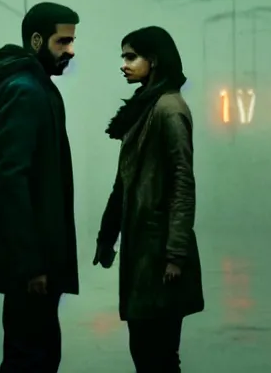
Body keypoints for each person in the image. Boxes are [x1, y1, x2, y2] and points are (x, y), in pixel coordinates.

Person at [93, 25, 204, 372]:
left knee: (158, 356)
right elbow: (123, 182)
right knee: (146, 352)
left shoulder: (169, 109)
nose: (123, 65)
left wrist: (175, 254)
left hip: (159, 256)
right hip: (143, 251)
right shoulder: (145, 108)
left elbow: (182, 183)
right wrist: (106, 236)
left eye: (131, 57)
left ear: (153, 61)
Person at [0, 1, 80, 373]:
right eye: (62, 42)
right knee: (31, 359)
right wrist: (31, 262)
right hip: (32, 266)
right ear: (37, 40)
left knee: (37, 355)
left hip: (37, 261)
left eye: (71, 42)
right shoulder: (26, 91)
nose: (70, 51)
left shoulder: (37, 88)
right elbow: (12, 180)